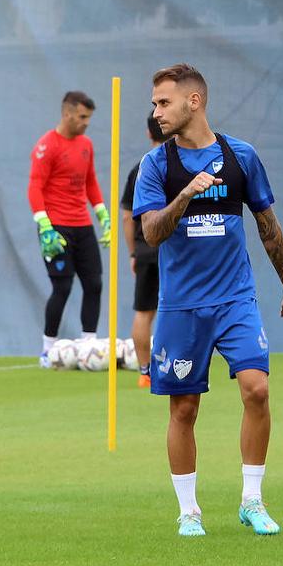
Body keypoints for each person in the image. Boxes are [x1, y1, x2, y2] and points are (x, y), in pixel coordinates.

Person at [133, 64, 283, 537]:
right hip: (182, 306)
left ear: (195, 101)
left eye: (163, 102)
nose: (156, 111)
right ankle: (189, 511)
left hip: (236, 299)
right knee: (184, 409)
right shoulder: (156, 166)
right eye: (154, 103)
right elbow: (150, 232)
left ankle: (252, 500)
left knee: (258, 388)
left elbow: (269, 228)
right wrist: (185, 194)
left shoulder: (240, 156)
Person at [27, 91, 111, 367]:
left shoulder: (86, 144)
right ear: (67, 113)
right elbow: (35, 186)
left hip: (82, 225)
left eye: (89, 117)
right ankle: (47, 349)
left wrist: (102, 215)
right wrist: (44, 226)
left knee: (95, 284)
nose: (86, 122)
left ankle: (89, 345)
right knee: (62, 287)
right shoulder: (46, 146)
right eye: (83, 117)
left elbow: (90, 182)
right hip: (56, 228)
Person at [120, 111, 169, 388]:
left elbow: (127, 216)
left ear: (149, 132)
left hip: (146, 249)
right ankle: (176, 365)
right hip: (173, 249)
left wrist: (133, 251)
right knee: (175, 309)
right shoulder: (177, 164)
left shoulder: (137, 169)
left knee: (144, 311)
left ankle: (145, 372)